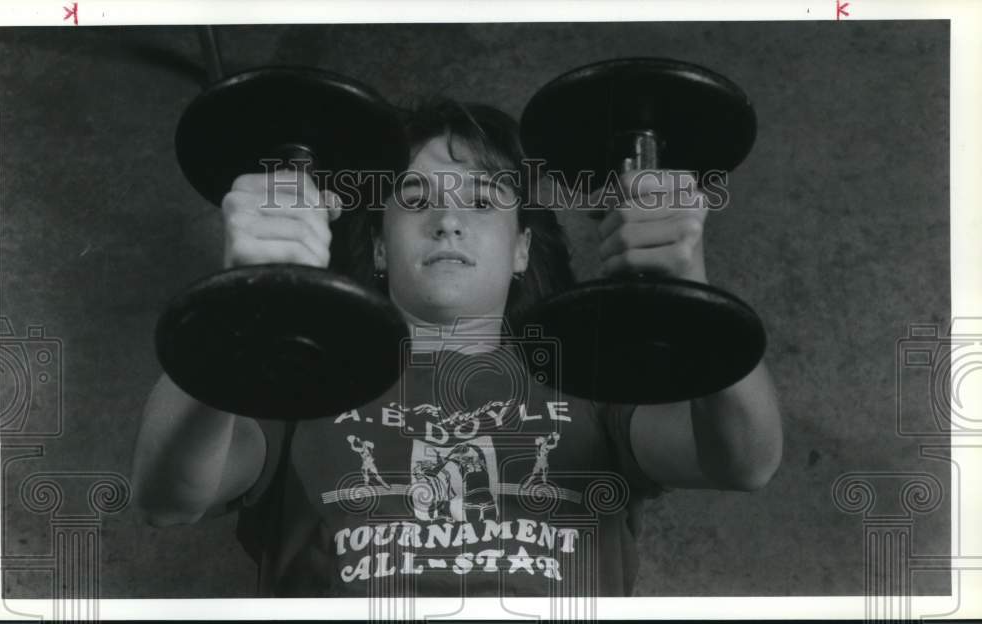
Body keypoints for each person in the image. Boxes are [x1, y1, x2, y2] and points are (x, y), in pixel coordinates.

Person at [132, 100, 782, 598]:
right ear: (381, 248)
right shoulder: (297, 377)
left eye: (481, 199)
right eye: (414, 200)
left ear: (521, 248)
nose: (447, 219)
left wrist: (690, 286)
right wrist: (237, 301)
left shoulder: (588, 378)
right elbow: (167, 499)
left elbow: (745, 462)